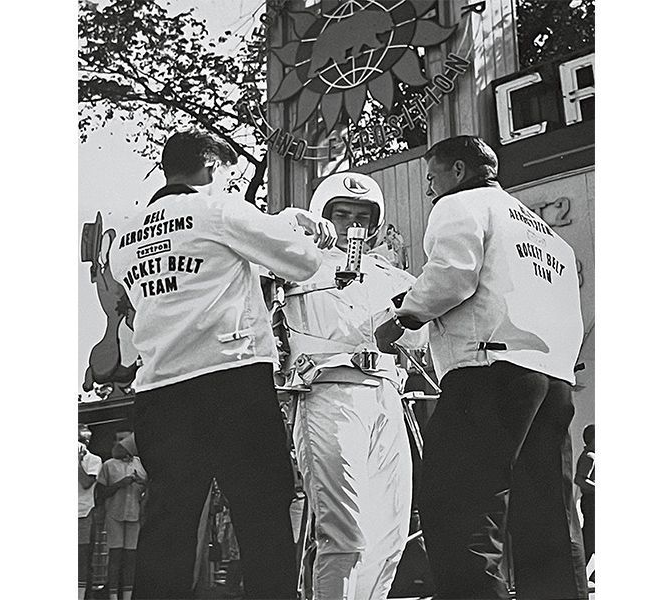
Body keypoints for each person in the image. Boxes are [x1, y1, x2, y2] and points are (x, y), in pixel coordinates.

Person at [106, 129, 336, 599]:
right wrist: (294, 225)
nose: (229, 184)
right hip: (230, 380)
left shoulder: (123, 238)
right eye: (228, 175)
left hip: (159, 391)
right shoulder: (220, 208)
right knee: (262, 514)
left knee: (168, 521)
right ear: (212, 168)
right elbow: (304, 262)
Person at [375, 135, 588, 599]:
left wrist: (402, 317)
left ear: (457, 171)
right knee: (549, 513)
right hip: (552, 379)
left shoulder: (461, 205)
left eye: (432, 177)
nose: (429, 188)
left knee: (463, 508)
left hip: (488, 368)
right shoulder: (547, 235)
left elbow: (452, 275)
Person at [282, 172, 427, 599]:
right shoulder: (296, 264)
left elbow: (426, 328)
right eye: (341, 214)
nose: (351, 224)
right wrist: (294, 231)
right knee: (344, 531)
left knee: (390, 533)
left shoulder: (390, 275)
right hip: (327, 393)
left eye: (362, 216)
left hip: (386, 396)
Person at [96, 430, 148, 600]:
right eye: (119, 440)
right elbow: (101, 491)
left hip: (135, 513)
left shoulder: (141, 464)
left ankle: (127, 596)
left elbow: (150, 487)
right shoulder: (108, 465)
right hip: (114, 514)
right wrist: (120, 484)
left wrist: (142, 483)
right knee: (116, 555)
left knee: (131, 557)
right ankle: (112, 596)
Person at [78, 424, 102, 600]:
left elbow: (87, 483)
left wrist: (77, 465)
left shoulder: (93, 460)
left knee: (81, 558)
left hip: (83, 514)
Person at [575, 424, 595, 579]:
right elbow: (580, 479)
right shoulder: (589, 457)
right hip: (591, 503)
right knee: (589, 539)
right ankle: (576, 572)